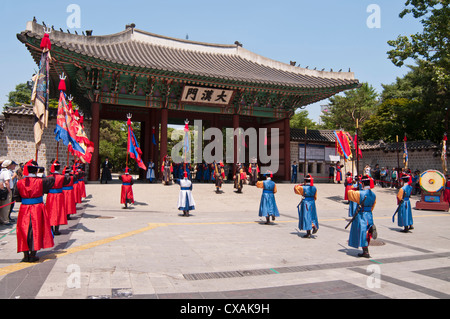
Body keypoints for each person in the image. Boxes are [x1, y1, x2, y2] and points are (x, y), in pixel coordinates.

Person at [16, 160, 55, 263]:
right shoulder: (41, 181)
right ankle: (33, 254)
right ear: (36, 170)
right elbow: (51, 181)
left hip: (24, 208)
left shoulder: (19, 182)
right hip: (37, 207)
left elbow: (17, 197)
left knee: (23, 230)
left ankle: (25, 255)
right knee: (36, 229)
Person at [347, 175, 377, 258]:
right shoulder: (373, 195)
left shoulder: (360, 193)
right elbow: (373, 206)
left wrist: (354, 188)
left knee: (363, 233)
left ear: (362, 184)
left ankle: (366, 252)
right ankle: (365, 250)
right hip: (369, 214)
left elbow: (349, 194)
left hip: (361, 214)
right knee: (366, 232)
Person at [46, 160, 71, 235]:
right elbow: (67, 181)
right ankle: (56, 229)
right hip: (59, 195)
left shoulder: (48, 177)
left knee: (50, 211)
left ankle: (50, 229)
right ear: (59, 168)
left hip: (50, 196)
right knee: (58, 212)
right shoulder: (62, 177)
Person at [0, 160, 14, 225]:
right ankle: (5, 220)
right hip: (6, 190)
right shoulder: (6, 172)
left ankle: (3, 218)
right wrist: (9, 190)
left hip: (4, 190)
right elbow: (7, 182)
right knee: (6, 206)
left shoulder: (3, 171)